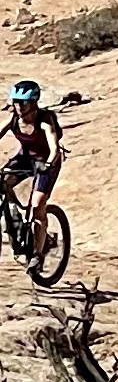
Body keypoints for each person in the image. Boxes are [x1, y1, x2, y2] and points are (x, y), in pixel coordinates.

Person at [3, 80, 62, 258]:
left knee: (37, 206)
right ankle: (15, 219)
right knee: (2, 182)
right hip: (25, 159)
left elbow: (54, 148)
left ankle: (38, 254)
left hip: (46, 162)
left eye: (23, 102)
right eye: (16, 101)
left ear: (34, 102)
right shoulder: (14, 119)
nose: (19, 106)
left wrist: (49, 164)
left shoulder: (44, 120)